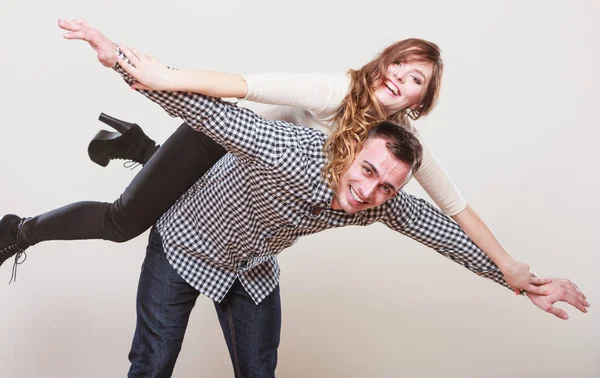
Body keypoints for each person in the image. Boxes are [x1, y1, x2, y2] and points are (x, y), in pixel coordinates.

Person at [118, 43, 590, 377]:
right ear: (349, 150)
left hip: (251, 264)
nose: (369, 191)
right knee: (154, 362)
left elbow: (446, 221)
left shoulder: (380, 194)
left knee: (259, 371)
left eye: (386, 187)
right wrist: (136, 68)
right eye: (366, 173)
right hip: (188, 242)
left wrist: (515, 277)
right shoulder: (304, 130)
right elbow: (228, 102)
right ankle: (142, 151)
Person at [0, 19, 541, 295]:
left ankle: (143, 148)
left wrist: (510, 266)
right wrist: (148, 70)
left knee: (208, 196)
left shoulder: (396, 148)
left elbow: (455, 208)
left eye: (416, 79)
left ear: (420, 102)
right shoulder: (335, 89)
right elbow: (245, 86)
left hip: (244, 179)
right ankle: (17, 230)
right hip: (221, 137)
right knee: (123, 223)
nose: (400, 77)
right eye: (399, 64)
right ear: (383, 65)